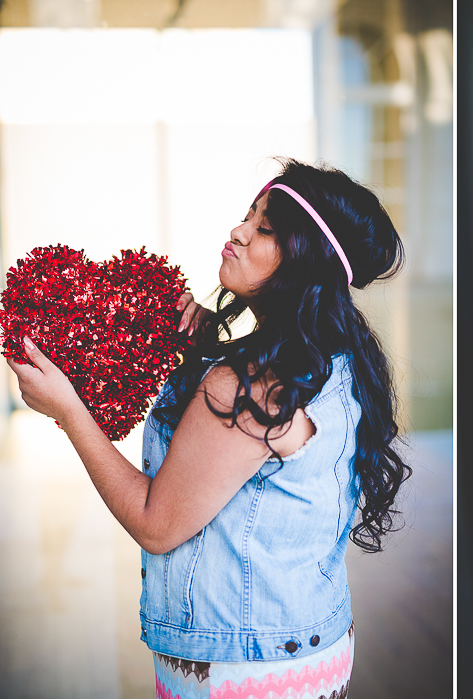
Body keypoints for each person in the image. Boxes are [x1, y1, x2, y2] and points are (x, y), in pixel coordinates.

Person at [9, 158, 409, 698]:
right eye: (247, 215)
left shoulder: (248, 384)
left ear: (306, 262)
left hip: (240, 673)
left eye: (264, 229)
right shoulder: (336, 356)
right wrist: (202, 353)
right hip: (311, 649)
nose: (238, 231)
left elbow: (157, 524)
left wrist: (69, 410)